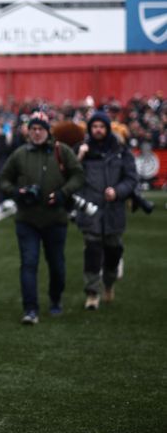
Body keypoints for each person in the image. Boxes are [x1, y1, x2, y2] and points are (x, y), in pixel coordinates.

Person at [0, 111, 84, 324]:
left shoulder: (61, 151)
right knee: (28, 263)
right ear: (28, 132)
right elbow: (3, 179)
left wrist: (64, 193)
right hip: (27, 219)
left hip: (55, 219)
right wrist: (17, 192)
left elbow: (78, 175)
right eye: (33, 129)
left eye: (40, 129)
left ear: (48, 131)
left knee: (57, 265)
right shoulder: (19, 154)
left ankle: (55, 299)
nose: (36, 133)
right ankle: (30, 309)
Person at [74, 111, 138, 310]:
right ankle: (92, 293)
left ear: (108, 128)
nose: (98, 130)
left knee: (113, 252)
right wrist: (79, 157)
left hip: (113, 211)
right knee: (92, 253)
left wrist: (117, 191)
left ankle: (109, 283)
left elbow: (131, 179)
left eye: (102, 126)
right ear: (90, 129)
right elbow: (69, 177)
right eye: (94, 127)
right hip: (90, 211)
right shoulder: (82, 150)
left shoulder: (121, 151)